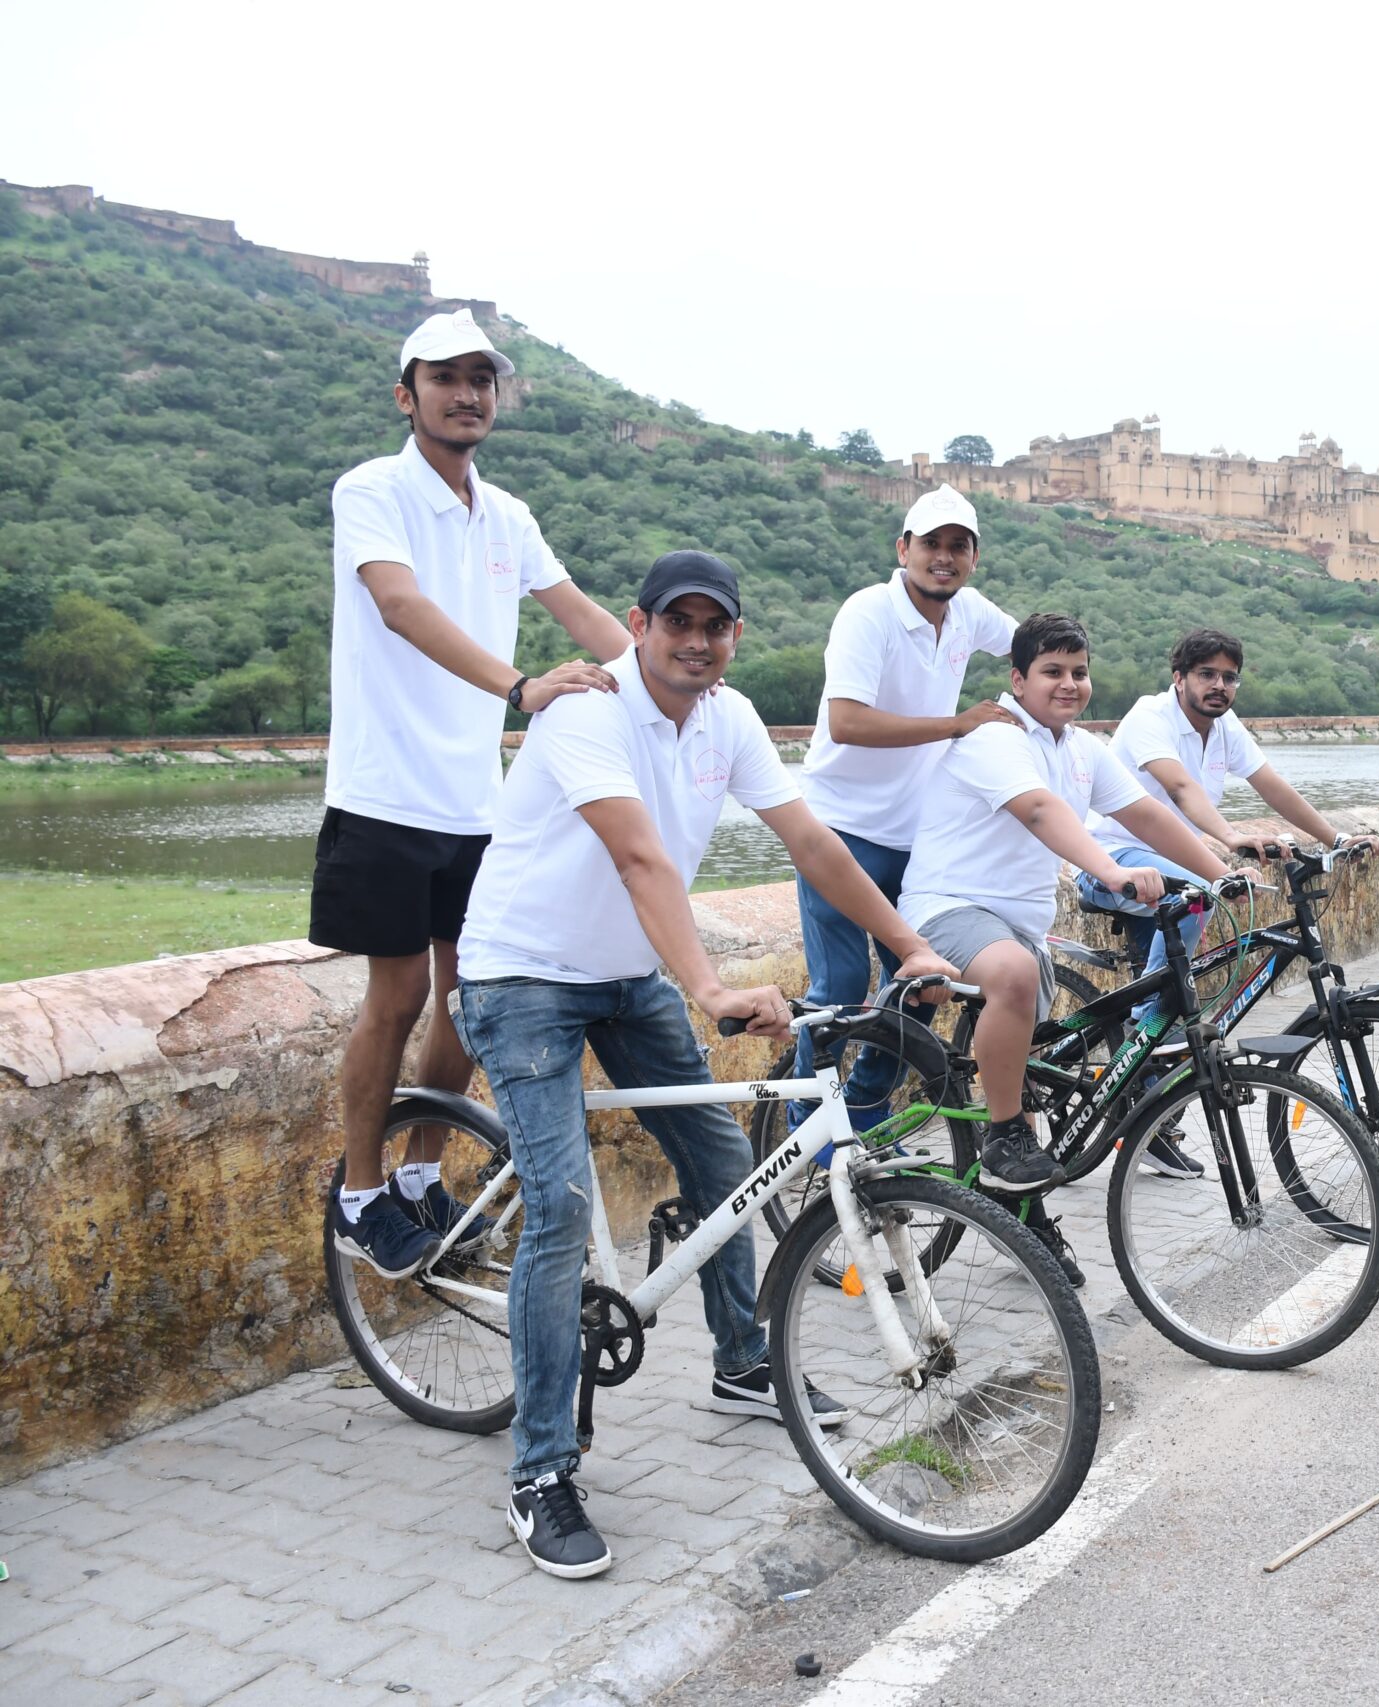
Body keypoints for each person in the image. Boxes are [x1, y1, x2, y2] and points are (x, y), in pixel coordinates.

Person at [452, 550, 957, 1579]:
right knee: (557, 1206)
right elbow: (639, 856)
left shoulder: (726, 720)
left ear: (733, 635)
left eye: (714, 626)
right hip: (522, 976)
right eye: (676, 623)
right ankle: (540, 1472)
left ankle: (739, 1363)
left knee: (722, 1162)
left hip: (625, 972)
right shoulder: (585, 712)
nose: (696, 642)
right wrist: (710, 988)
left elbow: (812, 844)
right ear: (636, 625)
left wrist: (908, 946)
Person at [320, 311, 637, 1281]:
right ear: (406, 394)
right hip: (382, 793)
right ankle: (362, 1192)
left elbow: (577, 610)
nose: (467, 394)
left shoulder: (506, 515)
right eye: (446, 378)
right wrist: (520, 689)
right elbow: (400, 604)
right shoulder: (373, 489)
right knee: (400, 991)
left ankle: (422, 1175)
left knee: (473, 991)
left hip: (474, 804)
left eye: (481, 380)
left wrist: (682, 685)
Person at [896, 613, 1230, 1282]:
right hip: (948, 908)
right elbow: (1043, 812)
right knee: (1015, 978)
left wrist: (1222, 872)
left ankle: (1021, 1208)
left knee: (1032, 1063)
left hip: (1018, 921)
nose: (1069, 683)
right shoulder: (999, 737)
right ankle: (1002, 1140)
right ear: (1018, 679)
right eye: (1052, 671)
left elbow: (1148, 814)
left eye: (1079, 672)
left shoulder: (1080, 747)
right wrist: (1110, 872)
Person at [1074, 628, 1379, 1178]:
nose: (1219, 686)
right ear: (1179, 678)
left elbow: (1272, 785)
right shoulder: (1151, 718)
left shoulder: (1225, 727)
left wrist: (1333, 838)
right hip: (1113, 860)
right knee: (1198, 903)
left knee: (1180, 978)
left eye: (1229, 676)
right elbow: (1183, 792)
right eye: (1207, 675)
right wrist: (1229, 841)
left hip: (1174, 863)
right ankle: (1142, 1065)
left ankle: (1147, 1101)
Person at [793, 486, 1017, 1128]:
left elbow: (1030, 644)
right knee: (836, 995)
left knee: (920, 989)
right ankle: (810, 1135)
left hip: (916, 838)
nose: (943, 558)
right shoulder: (869, 613)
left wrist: (1048, 698)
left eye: (958, 547)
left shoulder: (969, 612)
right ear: (904, 549)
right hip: (841, 829)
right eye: (931, 545)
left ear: (973, 558)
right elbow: (847, 723)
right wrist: (958, 724)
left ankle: (861, 1116)